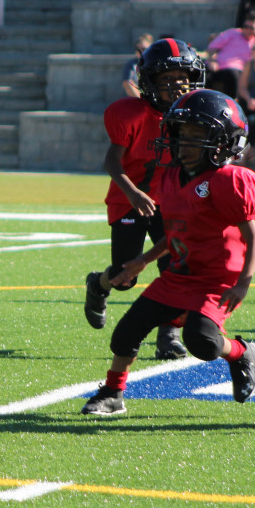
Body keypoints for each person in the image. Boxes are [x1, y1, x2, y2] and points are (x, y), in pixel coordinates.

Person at [80, 90, 255, 417]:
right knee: (127, 331)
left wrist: (243, 284)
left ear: (224, 141)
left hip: (215, 281)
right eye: (182, 133)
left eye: (197, 135)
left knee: (202, 341)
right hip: (179, 274)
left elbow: (254, 238)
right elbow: (178, 233)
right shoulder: (171, 176)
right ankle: (113, 392)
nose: (186, 142)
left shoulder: (229, 180)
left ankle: (241, 353)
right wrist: (144, 260)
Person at [84, 38, 206, 361]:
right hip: (130, 199)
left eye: (183, 78)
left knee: (178, 271)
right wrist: (133, 193)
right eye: (167, 80)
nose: (177, 86)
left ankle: (169, 335)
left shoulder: (193, 116)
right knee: (125, 278)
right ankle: (98, 285)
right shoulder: (131, 114)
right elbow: (111, 161)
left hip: (170, 203)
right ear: (149, 82)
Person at [205, 12, 255, 99]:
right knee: (204, 75)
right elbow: (212, 48)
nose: (247, 30)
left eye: (251, 28)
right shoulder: (233, 33)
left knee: (232, 76)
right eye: (246, 26)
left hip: (235, 70)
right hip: (218, 65)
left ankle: (233, 104)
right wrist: (212, 61)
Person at [121, 33, 155, 98]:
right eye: (137, 49)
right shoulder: (132, 65)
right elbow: (127, 83)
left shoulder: (155, 64)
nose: (140, 52)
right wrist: (142, 99)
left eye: (143, 49)